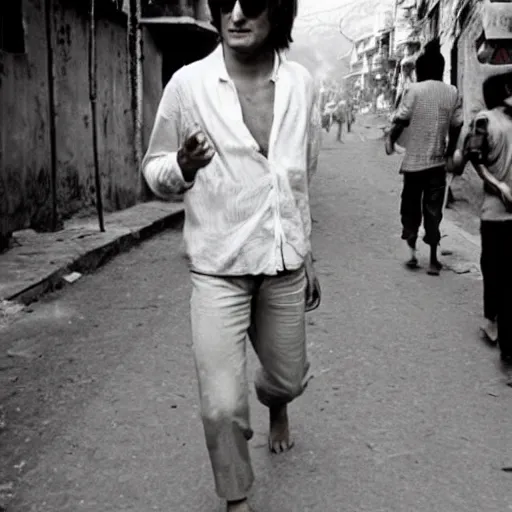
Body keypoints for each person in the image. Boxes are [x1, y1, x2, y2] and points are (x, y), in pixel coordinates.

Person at [141, 1, 322, 510]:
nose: (237, 15)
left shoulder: (302, 84)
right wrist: (180, 165)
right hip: (218, 266)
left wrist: (308, 254)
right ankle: (237, 495)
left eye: (253, 3)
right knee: (220, 405)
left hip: (283, 263)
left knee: (287, 377)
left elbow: (301, 177)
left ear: (278, 12)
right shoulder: (188, 85)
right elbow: (153, 169)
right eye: (225, 2)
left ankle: (277, 404)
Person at [385, 39, 463, 275]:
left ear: (420, 70)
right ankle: (432, 260)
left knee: (410, 207)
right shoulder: (451, 92)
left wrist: (390, 139)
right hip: (437, 163)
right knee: (433, 210)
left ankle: (411, 253)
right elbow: (457, 125)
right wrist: (450, 153)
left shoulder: (414, 90)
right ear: (440, 69)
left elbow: (402, 119)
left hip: (413, 164)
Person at [462, 71, 512, 367]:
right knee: (497, 273)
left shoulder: (487, 121)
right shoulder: (486, 120)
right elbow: (474, 158)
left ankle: (498, 330)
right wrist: (500, 186)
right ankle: (495, 326)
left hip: (496, 216)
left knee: (498, 274)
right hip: (495, 212)